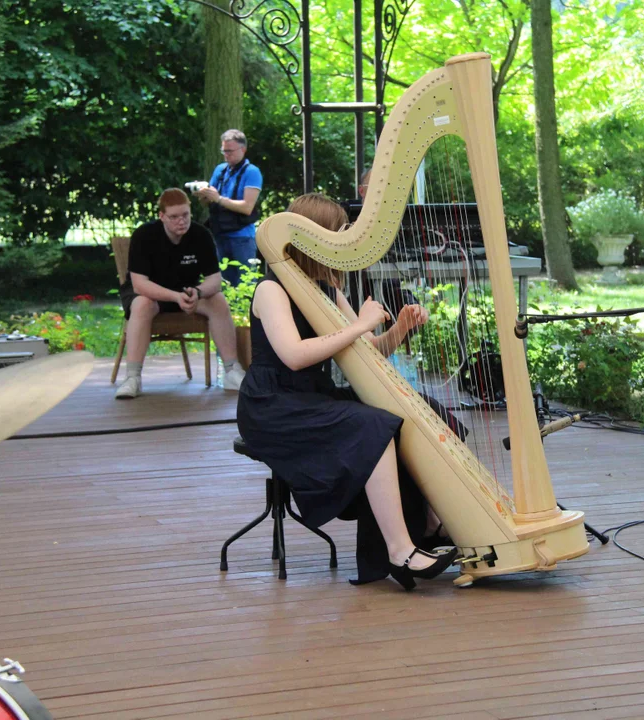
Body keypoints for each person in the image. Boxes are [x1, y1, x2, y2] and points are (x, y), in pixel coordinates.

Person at [236, 193, 458, 590]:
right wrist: (360, 325)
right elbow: (294, 356)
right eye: (338, 235)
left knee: (426, 412)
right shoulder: (271, 290)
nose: (342, 244)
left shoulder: (324, 289)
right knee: (371, 426)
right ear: (312, 239)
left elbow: (366, 355)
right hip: (274, 406)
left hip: (312, 397)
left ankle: (431, 525)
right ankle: (400, 551)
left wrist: (399, 329)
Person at [116, 188, 246, 399]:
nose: (181, 221)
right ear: (161, 216)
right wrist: (175, 296)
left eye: (185, 215)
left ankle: (232, 371)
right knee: (142, 304)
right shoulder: (144, 235)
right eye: (174, 217)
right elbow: (139, 285)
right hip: (150, 294)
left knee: (218, 300)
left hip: (186, 292)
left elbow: (215, 280)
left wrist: (198, 291)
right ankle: (133, 378)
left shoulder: (201, 235)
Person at [197, 129, 263, 286]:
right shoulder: (220, 170)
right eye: (223, 151)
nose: (226, 155)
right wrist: (203, 195)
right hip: (219, 235)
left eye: (230, 151)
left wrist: (218, 199)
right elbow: (208, 202)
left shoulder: (252, 172)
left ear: (243, 149)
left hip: (242, 238)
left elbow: (247, 207)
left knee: (246, 284)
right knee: (222, 285)